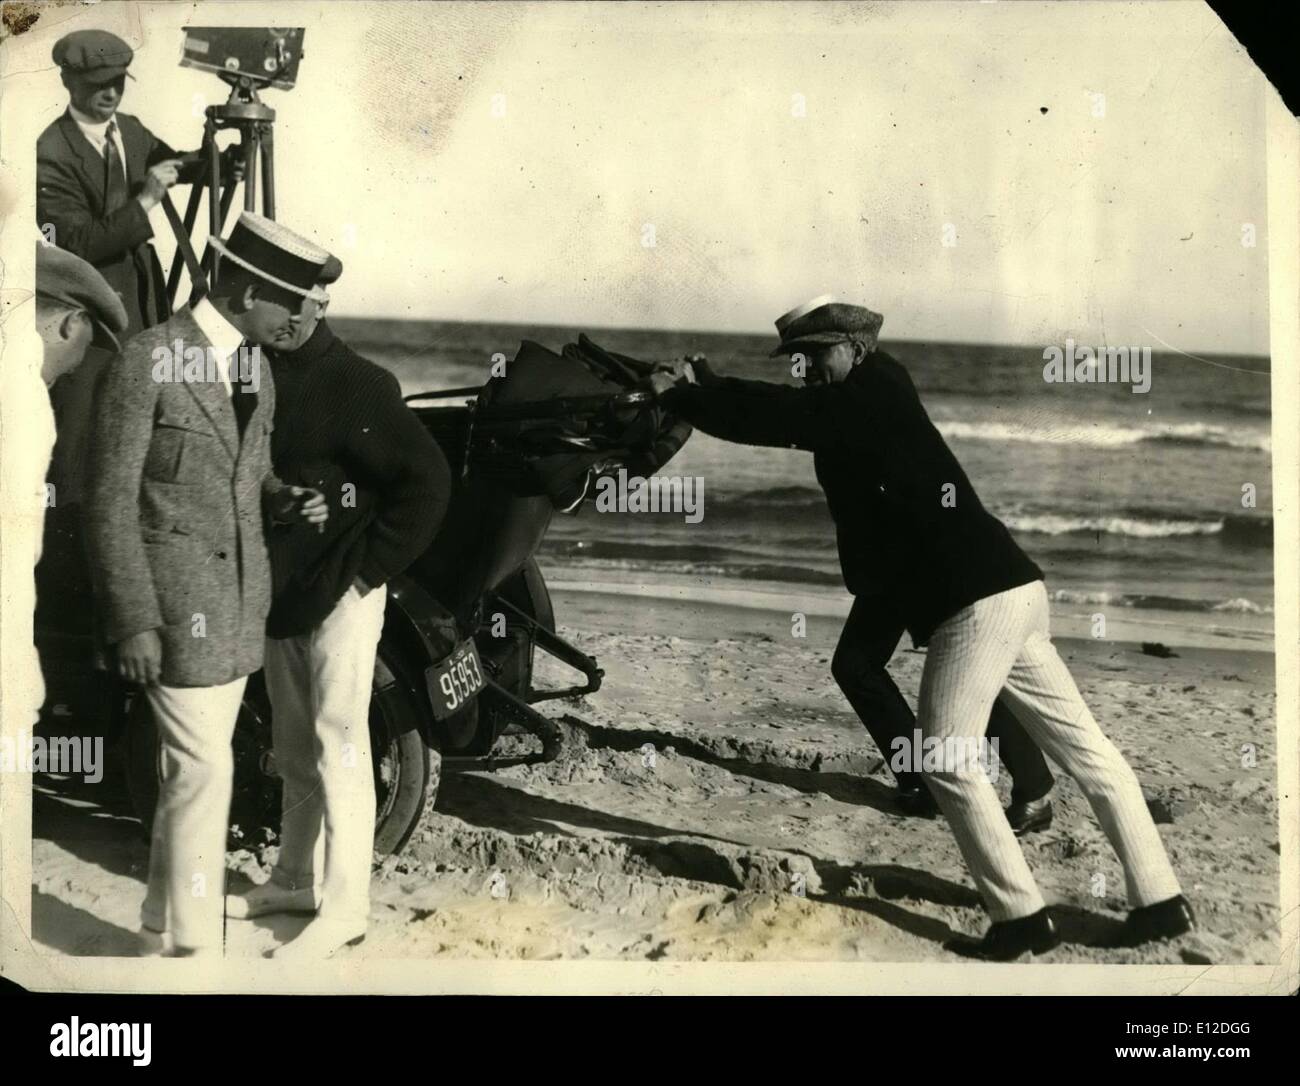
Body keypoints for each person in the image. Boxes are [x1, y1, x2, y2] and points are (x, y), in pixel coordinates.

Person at [653, 298, 1193, 960]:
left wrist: (687, 399)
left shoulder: (861, 397)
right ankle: (1162, 904)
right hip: (1015, 587)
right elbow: (780, 408)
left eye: (816, 353)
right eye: (800, 356)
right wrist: (709, 384)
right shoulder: (884, 382)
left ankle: (1022, 918)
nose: (806, 367)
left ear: (856, 348)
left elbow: (778, 419)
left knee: (945, 757)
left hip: (974, 603)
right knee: (1090, 753)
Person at [84, 211, 331, 956]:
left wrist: (280, 497)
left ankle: (160, 926)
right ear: (249, 290)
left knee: (188, 775)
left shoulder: (254, 367)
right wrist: (130, 619)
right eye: (293, 302)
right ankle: (192, 950)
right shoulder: (148, 357)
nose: (303, 318)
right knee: (202, 772)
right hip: (170, 609)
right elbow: (108, 498)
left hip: (234, 611)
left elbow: (245, 472)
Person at [224, 256, 451, 958]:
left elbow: (429, 485)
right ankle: (294, 878)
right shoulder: (256, 368)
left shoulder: (360, 384)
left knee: (339, 742)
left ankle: (345, 906)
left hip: (340, 597)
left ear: (319, 307)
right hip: (284, 595)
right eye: (283, 302)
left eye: (307, 305)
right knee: (293, 745)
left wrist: (364, 576)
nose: (294, 318)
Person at [36, 29, 238, 337]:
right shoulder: (51, 151)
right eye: (99, 84)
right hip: (90, 316)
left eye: (117, 83)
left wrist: (225, 164)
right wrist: (145, 201)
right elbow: (75, 245)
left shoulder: (130, 130)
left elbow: (178, 166)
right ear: (68, 81)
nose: (111, 94)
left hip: (144, 301)